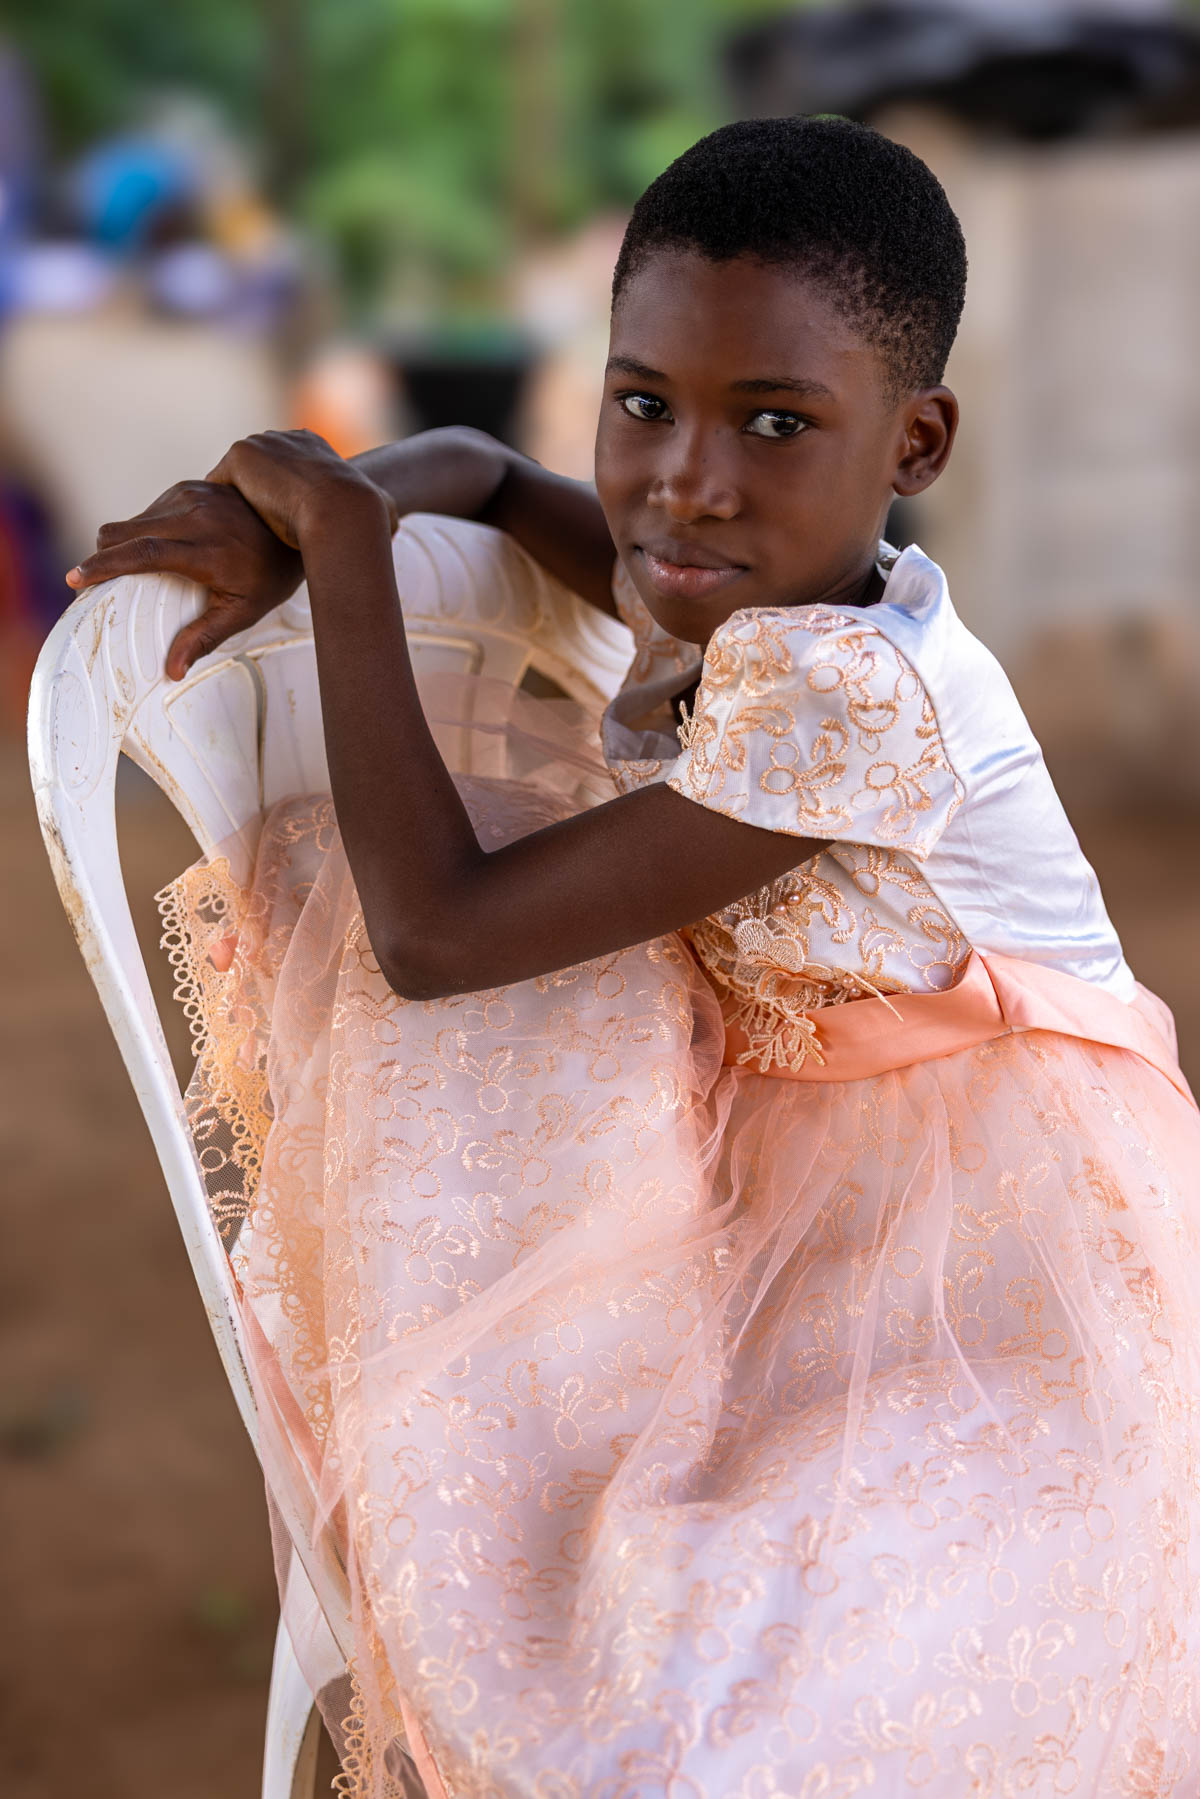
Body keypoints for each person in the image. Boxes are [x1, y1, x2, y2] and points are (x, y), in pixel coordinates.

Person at [67, 118, 1200, 1797]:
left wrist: (348, 551)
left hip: (1021, 1255)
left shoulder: (854, 693)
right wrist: (327, 500)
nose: (690, 479)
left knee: (704, 1697)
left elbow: (436, 934)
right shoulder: (744, 567)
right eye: (644, 400)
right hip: (832, 1162)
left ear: (918, 439)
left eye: (776, 422)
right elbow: (480, 462)